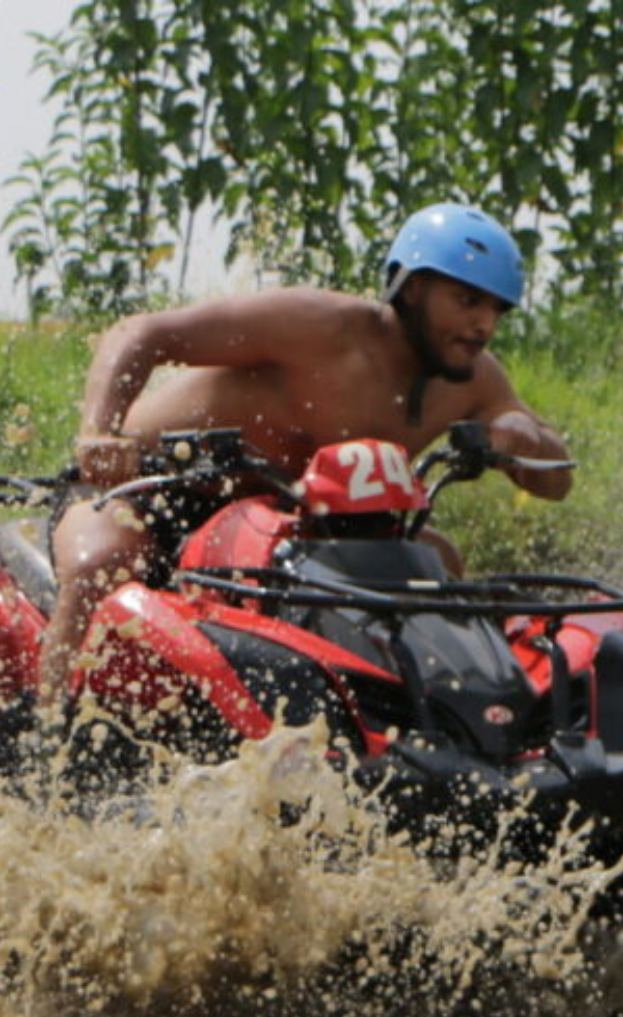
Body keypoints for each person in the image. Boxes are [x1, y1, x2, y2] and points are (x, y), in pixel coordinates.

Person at [38, 202, 572, 711]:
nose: (484, 325)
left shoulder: (474, 376)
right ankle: (48, 748)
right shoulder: (315, 324)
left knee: (438, 561)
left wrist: (519, 435)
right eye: (467, 301)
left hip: (289, 532)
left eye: (495, 309)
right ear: (413, 288)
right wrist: (99, 434)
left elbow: (553, 474)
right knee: (100, 565)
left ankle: (433, 737)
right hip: (146, 493)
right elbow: (143, 334)